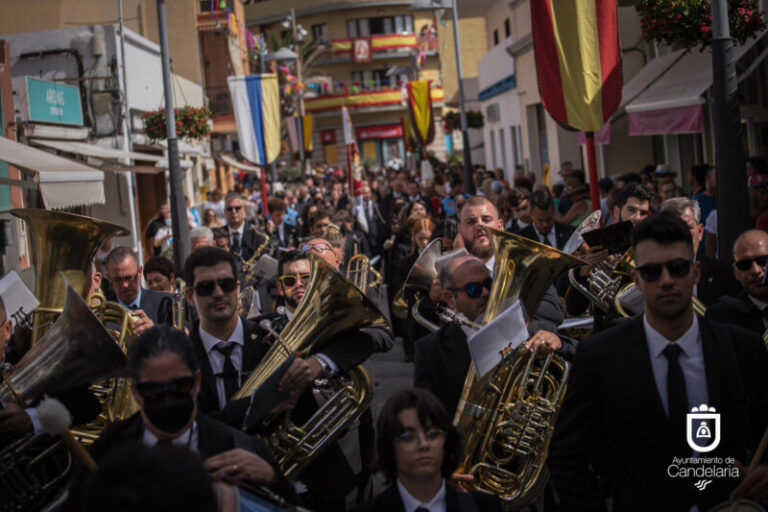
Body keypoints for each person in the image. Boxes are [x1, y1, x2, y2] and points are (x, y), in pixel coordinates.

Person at [548, 214, 768, 511]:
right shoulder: (599, 357)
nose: (666, 281)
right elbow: (566, 456)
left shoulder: (742, 348)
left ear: (696, 273)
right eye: (652, 271)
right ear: (636, 279)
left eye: (677, 268)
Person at [69, 325, 294, 504]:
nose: (167, 398)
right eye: (153, 390)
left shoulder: (241, 449)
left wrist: (272, 480)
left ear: (197, 382)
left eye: (179, 386)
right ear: (135, 391)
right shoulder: (107, 450)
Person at [247, 249, 393, 510]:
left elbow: (377, 337)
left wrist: (321, 362)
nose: (298, 284)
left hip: (335, 457)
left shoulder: (340, 324)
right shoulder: (260, 328)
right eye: (290, 280)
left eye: (306, 277)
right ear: (280, 287)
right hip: (280, 466)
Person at [414, 253, 564, 416]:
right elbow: (428, 416)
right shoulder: (430, 351)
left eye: (488, 283)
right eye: (473, 289)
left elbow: (570, 351)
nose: (485, 292)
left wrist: (556, 342)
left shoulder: (520, 324)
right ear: (450, 299)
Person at [353, 388, 500, 512]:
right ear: (389, 447)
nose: (423, 444)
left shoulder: (485, 506)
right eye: (408, 437)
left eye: (433, 434)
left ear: (446, 441)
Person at [182, 247, 269, 414]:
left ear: (237, 288)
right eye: (206, 287)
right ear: (190, 296)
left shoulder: (267, 342)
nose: (218, 293)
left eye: (226, 284)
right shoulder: (180, 359)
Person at [659, 198, 739, 306]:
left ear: (700, 231)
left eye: (687, 228)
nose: (681, 235)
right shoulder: (650, 277)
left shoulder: (725, 274)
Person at [707, 229, 768, 336]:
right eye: (744, 265)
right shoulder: (721, 319)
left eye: (763, 260)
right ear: (736, 272)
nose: (755, 270)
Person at [105, 247, 172, 334]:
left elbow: (181, 339)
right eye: (117, 280)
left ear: (139, 272)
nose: (125, 285)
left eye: (128, 278)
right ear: (109, 278)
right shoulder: (104, 312)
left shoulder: (165, 303)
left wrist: (155, 332)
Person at [222, 192, 269, 262]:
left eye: (237, 208)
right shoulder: (218, 234)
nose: (234, 211)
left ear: (243, 210)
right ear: (225, 212)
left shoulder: (258, 235)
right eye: (229, 209)